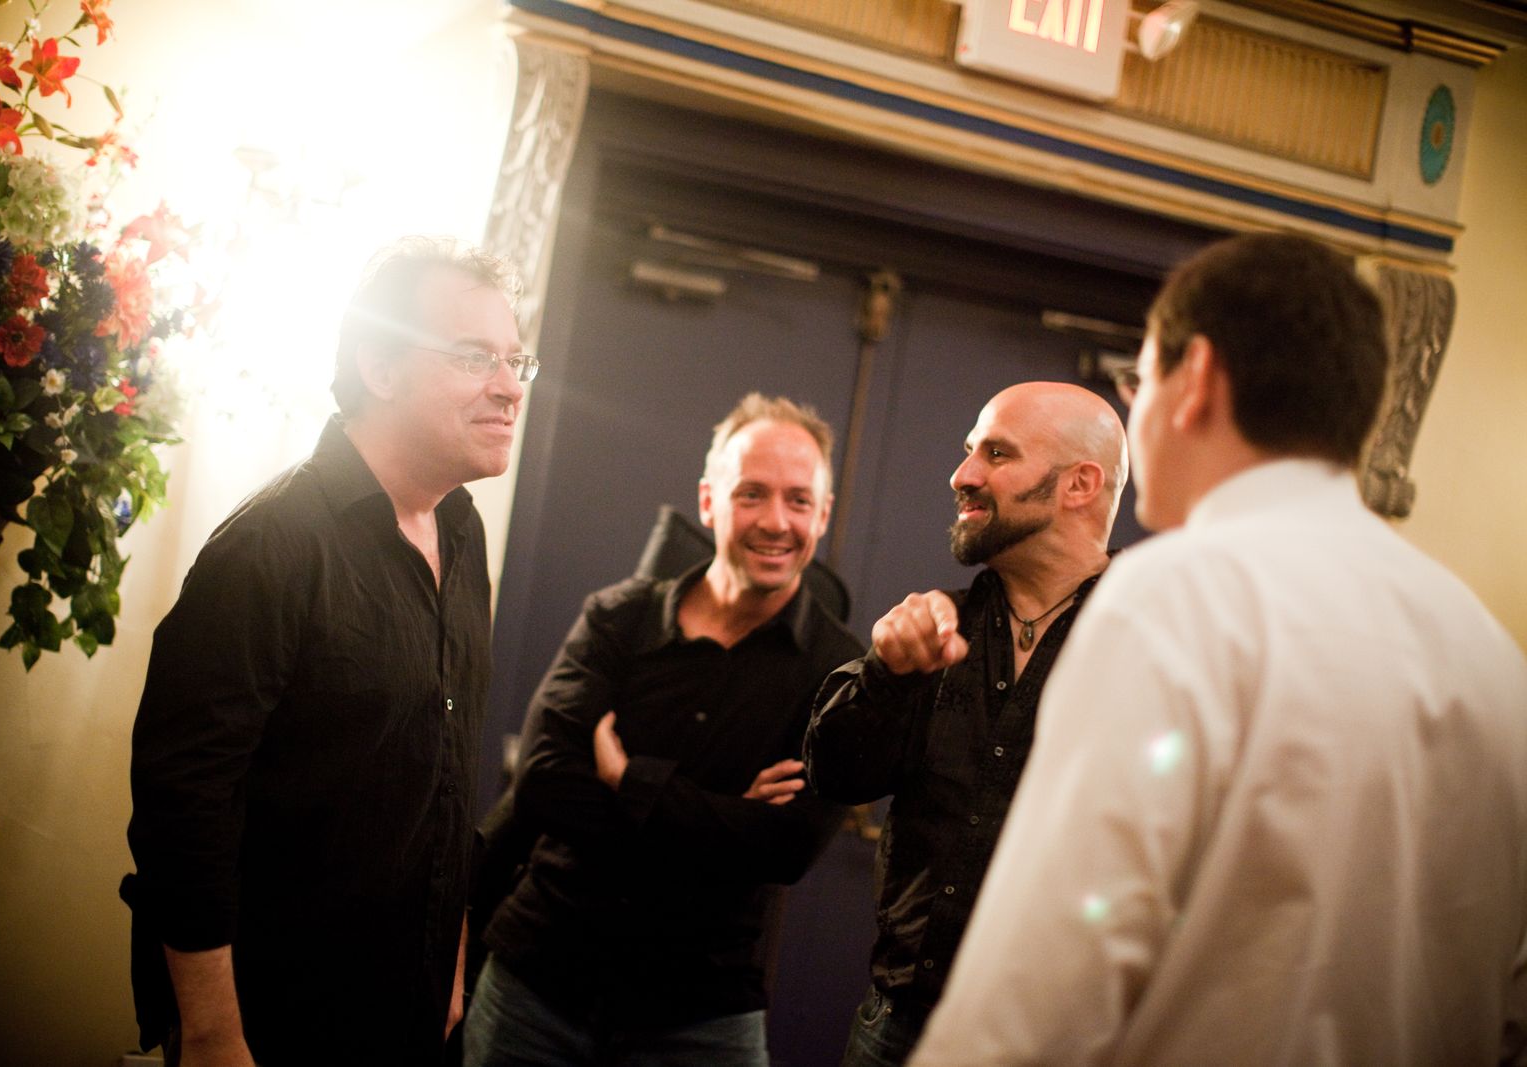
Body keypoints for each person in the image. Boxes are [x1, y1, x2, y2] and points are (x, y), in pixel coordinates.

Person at [911, 233, 1527, 1066]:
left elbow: (1036, 994)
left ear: (1194, 376)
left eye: (1140, 379)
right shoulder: (1487, 648)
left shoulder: (1175, 597)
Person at [126, 237, 537, 1066]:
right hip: (272, 1020)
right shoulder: (271, 544)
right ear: (380, 366)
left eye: (515, 360)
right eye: (473, 357)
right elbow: (183, 814)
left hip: (412, 1014)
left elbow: (446, 780)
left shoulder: (464, 535)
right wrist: (211, 1033)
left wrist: (452, 955)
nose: (509, 387)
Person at [464, 393, 864, 1067]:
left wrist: (628, 778)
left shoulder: (837, 670)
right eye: (751, 493)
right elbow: (544, 783)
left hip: (701, 1014)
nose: (776, 521)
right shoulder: (618, 618)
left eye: (799, 500)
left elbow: (785, 846)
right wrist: (726, 815)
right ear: (708, 501)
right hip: (541, 982)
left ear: (822, 514)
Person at [803, 381, 1127, 1067]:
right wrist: (887, 675)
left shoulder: (1154, 647)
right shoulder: (932, 629)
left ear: (1080, 484)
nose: (962, 475)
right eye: (969, 450)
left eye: (997, 454)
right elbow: (834, 775)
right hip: (900, 1029)